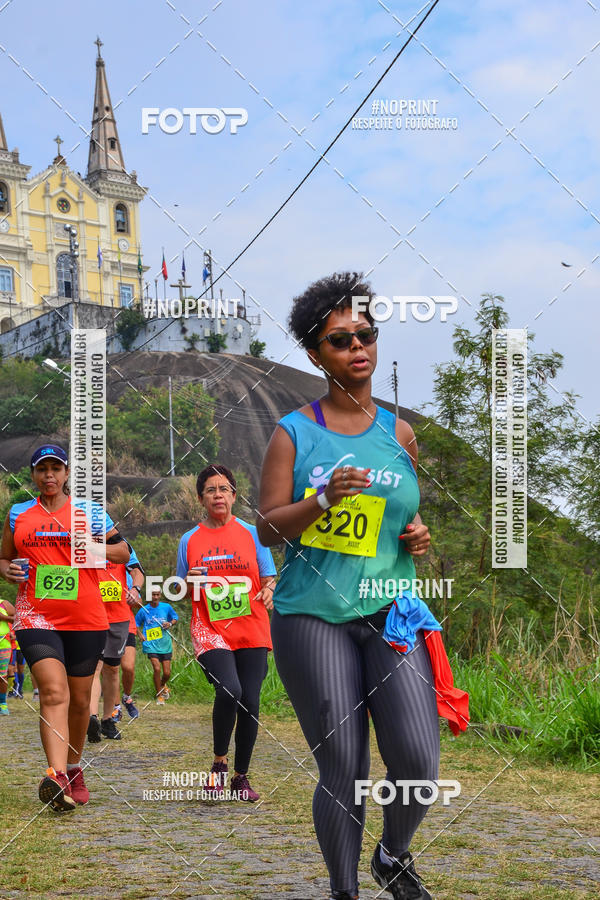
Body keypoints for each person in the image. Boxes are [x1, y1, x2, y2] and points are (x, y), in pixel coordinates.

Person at [258, 273, 469, 900]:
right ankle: (343, 889)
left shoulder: (398, 433)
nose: (358, 348)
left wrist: (418, 535)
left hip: (389, 611)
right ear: (316, 354)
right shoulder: (294, 432)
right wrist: (322, 497)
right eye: (340, 339)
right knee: (344, 767)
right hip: (312, 615)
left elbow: (399, 513)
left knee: (418, 767)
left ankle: (393, 853)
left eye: (366, 335)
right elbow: (268, 527)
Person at [0, 444, 130, 811]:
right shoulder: (19, 514)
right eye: (42, 469)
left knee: (77, 701)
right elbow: (5, 557)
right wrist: (6, 569)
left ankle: (74, 769)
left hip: (86, 618)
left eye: (56, 468)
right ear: (33, 475)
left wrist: (91, 547)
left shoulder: (89, 512)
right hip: (35, 616)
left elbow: (122, 552)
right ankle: (55, 775)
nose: (49, 475)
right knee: (53, 692)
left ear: (67, 473)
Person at [176, 464, 276, 802]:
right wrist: (189, 582)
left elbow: (268, 578)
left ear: (234, 495)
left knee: (250, 701)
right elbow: (180, 588)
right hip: (210, 628)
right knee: (229, 690)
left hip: (252, 627)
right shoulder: (189, 540)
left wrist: (270, 591)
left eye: (223, 489)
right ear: (201, 499)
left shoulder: (253, 533)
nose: (217, 495)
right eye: (210, 490)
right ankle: (219, 765)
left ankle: (240, 777)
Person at [88, 544, 144, 741]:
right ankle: (91, 719)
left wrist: (136, 589)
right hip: (90, 613)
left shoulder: (122, 544)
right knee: (94, 668)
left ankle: (107, 721)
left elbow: (137, 571)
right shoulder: (79, 538)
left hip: (119, 616)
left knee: (112, 669)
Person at [135, 588, 178, 704]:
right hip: (150, 644)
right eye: (153, 594)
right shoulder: (144, 610)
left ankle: (162, 685)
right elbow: (135, 624)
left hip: (165, 643)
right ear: (150, 596)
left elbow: (175, 618)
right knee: (157, 668)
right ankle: (159, 694)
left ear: (160, 595)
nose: (155, 597)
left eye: (157, 594)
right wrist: (140, 635)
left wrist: (169, 623)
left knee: (167, 673)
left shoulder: (166, 607)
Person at [0, 598, 15, 714]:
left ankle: (3, 704)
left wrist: (5, 618)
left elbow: (19, 618)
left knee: (2, 675)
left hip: (3, 644)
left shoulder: (4, 603)